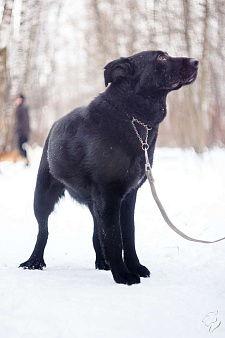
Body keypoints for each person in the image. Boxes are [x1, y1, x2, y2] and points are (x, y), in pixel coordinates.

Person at [15, 94, 30, 163]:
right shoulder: (20, 107)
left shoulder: (22, 107)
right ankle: (24, 160)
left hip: (23, 131)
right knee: (21, 146)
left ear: (22, 99)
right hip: (22, 130)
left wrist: (19, 129)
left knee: (23, 146)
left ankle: (25, 161)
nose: (17, 100)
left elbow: (24, 121)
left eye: (19, 99)